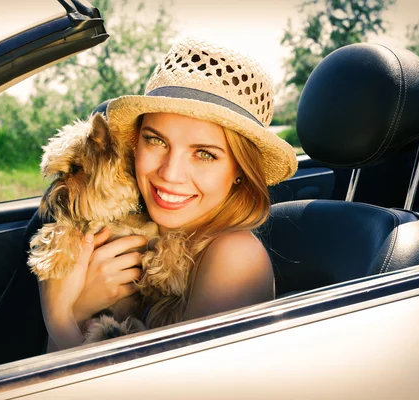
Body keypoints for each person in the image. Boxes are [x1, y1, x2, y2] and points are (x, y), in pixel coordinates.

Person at [39, 37, 298, 351]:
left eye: (204, 154)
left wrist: (61, 317)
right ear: (134, 144)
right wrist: (82, 308)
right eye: (156, 141)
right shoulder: (138, 233)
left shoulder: (235, 257)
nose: (169, 174)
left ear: (240, 170)